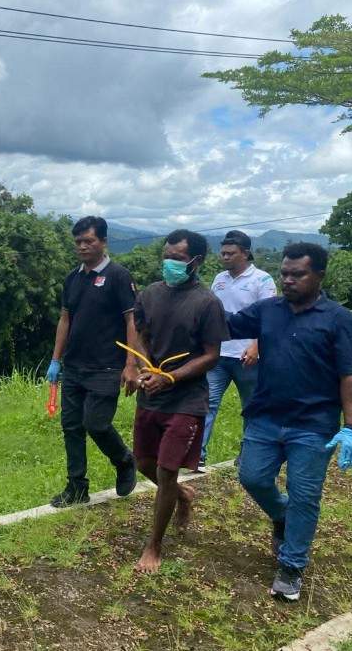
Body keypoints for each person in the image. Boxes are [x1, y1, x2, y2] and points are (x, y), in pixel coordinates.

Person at [228, 243, 352, 602]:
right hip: (266, 415)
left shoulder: (339, 320)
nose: (288, 280)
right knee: (252, 476)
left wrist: (351, 428)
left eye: (297, 274)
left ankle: (291, 565)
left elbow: (350, 375)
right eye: (284, 273)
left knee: (306, 496)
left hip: (313, 424)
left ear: (319, 275)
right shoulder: (268, 310)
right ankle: (281, 515)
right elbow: (225, 325)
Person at [130, 229, 229, 573]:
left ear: (196, 262)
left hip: (186, 400)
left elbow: (212, 355)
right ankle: (181, 496)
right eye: (166, 256)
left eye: (177, 258)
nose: (169, 263)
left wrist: (170, 376)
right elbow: (141, 336)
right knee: (143, 463)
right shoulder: (151, 294)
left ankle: (154, 545)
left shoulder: (207, 304)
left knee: (166, 470)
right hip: (150, 395)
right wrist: (144, 367)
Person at [45, 216, 138, 507]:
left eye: (89, 241)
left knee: (96, 424)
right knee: (71, 428)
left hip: (107, 366)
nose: (83, 247)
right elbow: (65, 319)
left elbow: (131, 320)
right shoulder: (73, 278)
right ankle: (76, 487)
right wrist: (55, 360)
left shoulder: (119, 276)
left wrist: (131, 363)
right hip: (74, 366)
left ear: (103, 241)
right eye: (78, 242)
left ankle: (124, 460)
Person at [200, 231, 277, 468]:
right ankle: (197, 456)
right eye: (222, 252)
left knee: (251, 407)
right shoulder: (220, 278)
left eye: (230, 253)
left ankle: (248, 456)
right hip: (219, 355)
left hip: (248, 357)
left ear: (245, 253)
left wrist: (257, 345)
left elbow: (270, 317)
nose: (224, 257)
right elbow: (213, 314)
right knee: (206, 403)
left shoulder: (262, 280)